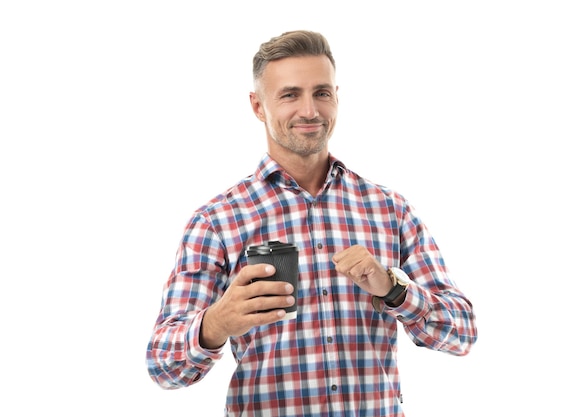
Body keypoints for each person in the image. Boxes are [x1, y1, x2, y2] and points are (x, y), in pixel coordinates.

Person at [146, 30, 478, 417]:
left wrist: (394, 289)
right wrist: (215, 324)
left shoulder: (390, 210)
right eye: (290, 95)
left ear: (337, 97)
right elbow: (163, 366)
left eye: (322, 93)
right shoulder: (217, 221)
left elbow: (462, 334)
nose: (309, 110)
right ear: (257, 106)